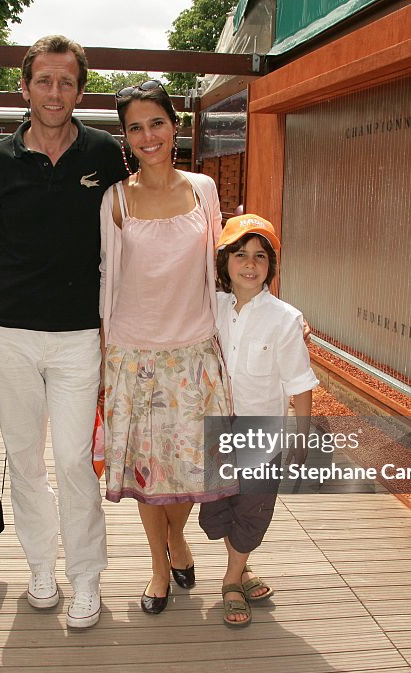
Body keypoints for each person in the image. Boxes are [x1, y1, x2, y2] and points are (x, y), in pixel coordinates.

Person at [0, 35, 126, 629]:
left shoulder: (104, 152)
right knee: (25, 459)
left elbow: (127, 229)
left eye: (66, 82)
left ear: (80, 90)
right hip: (12, 334)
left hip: (78, 336)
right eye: (44, 80)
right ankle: (40, 566)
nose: (55, 92)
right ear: (25, 87)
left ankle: (85, 576)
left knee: (71, 459)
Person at [99, 79, 234, 616]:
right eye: (135, 127)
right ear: (125, 138)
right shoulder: (116, 199)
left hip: (196, 352)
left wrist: (273, 320)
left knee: (188, 473)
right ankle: (159, 565)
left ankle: (178, 540)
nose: (147, 135)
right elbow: (107, 278)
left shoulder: (203, 189)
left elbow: (223, 271)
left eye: (156, 122)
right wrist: (103, 357)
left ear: (175, 124)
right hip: (134, 356)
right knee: (145, 471)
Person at [200, 214, 319, 626]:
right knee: (219, 510)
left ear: (271, 266)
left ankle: (232, 579)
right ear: (224, 262)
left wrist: (301, 440)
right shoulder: (208, 306)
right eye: (240, 254)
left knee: (253, 507)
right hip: (215, 431)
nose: (250, 264)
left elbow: (299, 383)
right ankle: (243, 566)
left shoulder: (285, 319)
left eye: (260, 257)